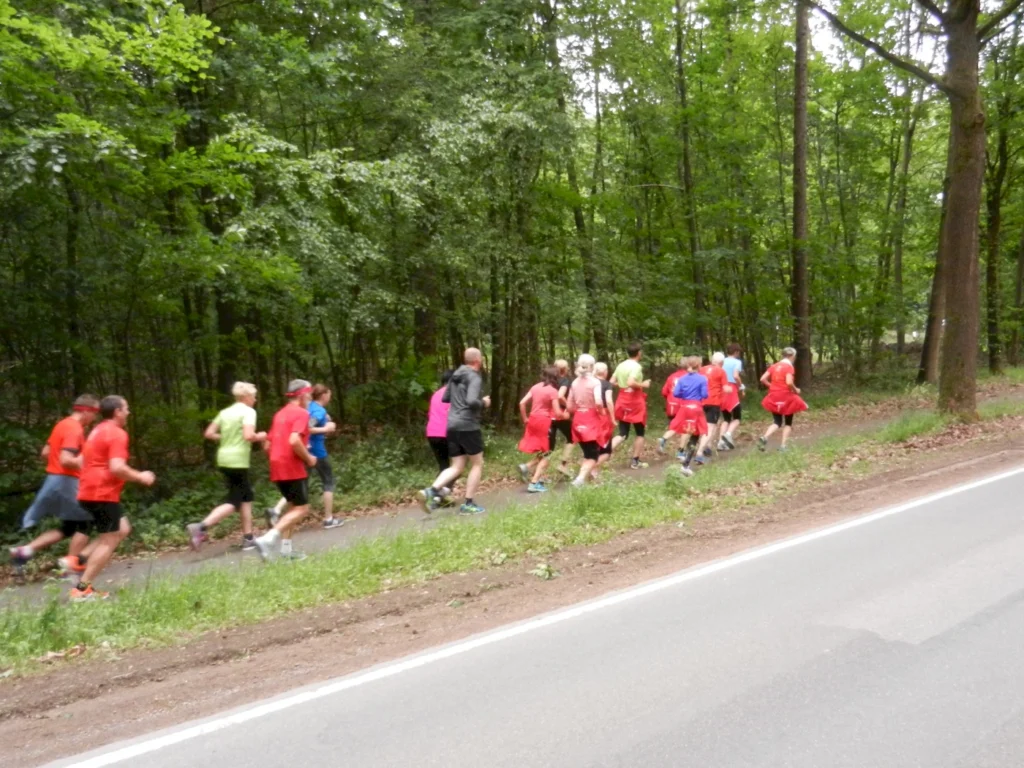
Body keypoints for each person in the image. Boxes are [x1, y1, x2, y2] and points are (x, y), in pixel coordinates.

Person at [71, 396, 156, 601]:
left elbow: (82, 461)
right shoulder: (117, 434)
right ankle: (82, 589)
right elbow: (117, 467)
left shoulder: (96, 431)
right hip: (102, 493)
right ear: (117, 411)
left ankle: (80, 560)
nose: (128, 412)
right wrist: (140, 476)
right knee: (109, 539)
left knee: (122, 529)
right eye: (126, 409)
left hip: (88, 489)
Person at [9, 395, 100, 581]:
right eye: (95, 413)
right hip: (66, 481)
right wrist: (87, 464)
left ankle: (23, 551)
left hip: (54, 480)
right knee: (86, 522)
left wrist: (56, 468)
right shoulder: (75, 429)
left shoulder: (62, 425)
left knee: (69, 527)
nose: (95, 418)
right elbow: (67, 460)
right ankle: (70, 566)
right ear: (86, 411)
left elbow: (46, 453)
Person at [186, 382, 267, 552]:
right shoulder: (248, 412)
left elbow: (209, 433)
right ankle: (201, 526)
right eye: (253, 396)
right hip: (238, 460)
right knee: (235, 501)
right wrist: (261, 436)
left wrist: (227, 437)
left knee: (246, 497)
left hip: (224, 458)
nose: (255, 399)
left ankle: (248, 537)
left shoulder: (225, 412)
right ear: (246, 397)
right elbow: (248, 435)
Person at [419, 348, 491, 514]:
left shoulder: (455, 376)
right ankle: (469, 504)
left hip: (451, 425)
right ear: (478, 361)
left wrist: (459, 400)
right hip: (467, 425)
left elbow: (446, 398)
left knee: (457, 465)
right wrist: (484, 403)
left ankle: (431, 491)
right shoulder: (473, 377)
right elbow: (473, 401)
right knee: (477, 463)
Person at [253, 380, 318, 562]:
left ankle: (287, 551)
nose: (311, 397)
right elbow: (294, 441)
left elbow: (267, 444)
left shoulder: (279, 414)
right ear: (303, 394)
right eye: (310, 394)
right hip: (292, 466)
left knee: (292, 508)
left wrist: (277, 458)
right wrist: (308, 458)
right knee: (302, 509)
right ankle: (268, 539)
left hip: (277, 465)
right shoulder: (301, 414)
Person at [266, 384, 340, 529]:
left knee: (299, 487)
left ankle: (276, 511)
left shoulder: (308, 407)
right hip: (315, 452)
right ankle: (328, 519)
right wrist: (326, 428)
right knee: (328, 481)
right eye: (329, 395)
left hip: (301, 452)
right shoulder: (313, 410)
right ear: (324, 395)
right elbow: (307, 428)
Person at [657, 356, 709, 477]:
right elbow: (705, 394)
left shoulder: (682, 378)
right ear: (699, 366)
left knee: (676, 427)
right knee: (695, 435)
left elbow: (676, 393)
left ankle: (665, 440)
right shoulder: (702, 379)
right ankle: (685, 464)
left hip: (684, 408)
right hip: (696, 408)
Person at [517, 367, 564, 493]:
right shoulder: (553, 391)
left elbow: (522, 403)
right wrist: (567, 414)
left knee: (544, 450)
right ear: (555, 377)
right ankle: (534, 482)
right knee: (548, 453)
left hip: (532, 419)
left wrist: (525, 419)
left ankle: (527, 467)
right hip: (544, 422)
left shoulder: (535, 387)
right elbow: (558, 413)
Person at [566, 354, 606, 488]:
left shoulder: (574, 382)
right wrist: (601, 412)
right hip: (591, 418)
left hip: (578, 418)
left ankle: (586, 480)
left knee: (587, 453)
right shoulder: (595, 382)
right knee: (594, 454)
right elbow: (599, 402)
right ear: (592, 366)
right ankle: (580, 479)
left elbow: (569, 406)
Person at [758, 347, 808, 451]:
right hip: (786, 396)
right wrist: (796, 390)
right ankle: (783, 446)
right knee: (788, 422)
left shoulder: (774, 366)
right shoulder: (789, 367)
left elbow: (762, 379)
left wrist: (772, 386)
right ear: (792, 356)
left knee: (777, 421)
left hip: (773, 395)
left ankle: (764, 437)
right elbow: (789, 382)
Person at [611, 342, 650, 469]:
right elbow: (631, 382)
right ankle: (635, 461)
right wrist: (643, 385)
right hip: (634, 401)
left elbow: (612, 381)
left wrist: (623, 387)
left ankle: (603, 452)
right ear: (639, 353)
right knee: (640, 432)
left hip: (622, 399)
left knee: (623, 433)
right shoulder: (636, 366)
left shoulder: (621, 365)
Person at [549, 359, 576, 478]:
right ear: (564, 369)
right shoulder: (564, 380)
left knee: (549, 446)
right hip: (560, 413)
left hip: (548, 414)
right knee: (572, 438)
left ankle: (534, 471)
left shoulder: (549, 380)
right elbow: (560, 395)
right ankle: (563, 465)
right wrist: (568, 406)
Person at [699, 353, 728, 457]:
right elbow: (725, 388)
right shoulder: (721, 371)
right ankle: (701, 450)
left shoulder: (702, 369)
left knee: (713, 423)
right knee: (710, 426)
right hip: (714, 401)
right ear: (722, 362)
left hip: (701, 401)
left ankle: (709, 445)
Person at [719, 343, 745, 450]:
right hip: (731, 389)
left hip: (721, 389)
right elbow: (735, 376)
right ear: (736, 352)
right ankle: (728, 434)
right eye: (739, 352)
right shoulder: (737, 362)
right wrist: (741, 386)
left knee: (726, 419)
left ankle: (721, 442)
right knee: (737, 417)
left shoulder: (721, 361)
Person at [593, 362, 617, 477]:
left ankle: (594, 471)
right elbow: (608, 401)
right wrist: (613, 418)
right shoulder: (607, 385)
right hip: (603, 415)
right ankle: (591, 467)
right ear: (605, 372)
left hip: (589, 416)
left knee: (594, 445)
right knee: (606, 451)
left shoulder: (590, 383)